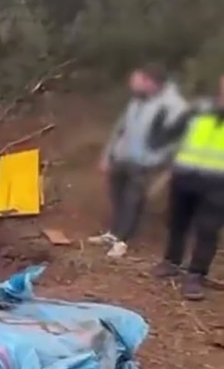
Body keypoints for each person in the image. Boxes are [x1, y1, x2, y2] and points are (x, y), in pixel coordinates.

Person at [89, 64, 189, 257]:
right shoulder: (137, 100)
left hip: (144, 163)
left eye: (137, 82)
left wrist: (161, 160)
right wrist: (107, 155)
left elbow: (179, 139)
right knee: (117, 197)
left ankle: (123, 240)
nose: (132, 86)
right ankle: (113, 233)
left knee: (133, 201)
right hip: (122, 158)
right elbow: (120, 128)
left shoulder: (174, 106)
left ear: (150, 83)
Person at [150, 76, 224, 300]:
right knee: (176, 223)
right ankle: (171, 261)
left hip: (217, 184)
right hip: (184, 176)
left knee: (207, 231)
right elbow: (171, 134)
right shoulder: (199, 109)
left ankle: (195, 275)